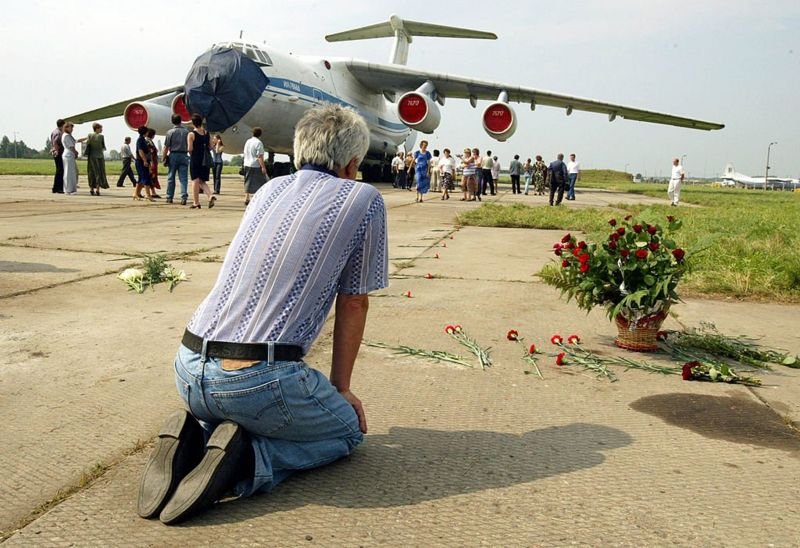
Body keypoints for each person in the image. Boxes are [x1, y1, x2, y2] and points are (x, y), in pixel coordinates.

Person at [137, 103, 388, 525]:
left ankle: (195, 441)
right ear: (351, 164)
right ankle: (248, 462)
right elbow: (354, 301)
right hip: (256, 379)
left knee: (239, 408)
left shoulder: (270, 189)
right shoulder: (363, 197)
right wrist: (341, 388)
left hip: (187, 365)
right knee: (346, 431)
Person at [187, 114, 215, 209]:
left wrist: (192, 154)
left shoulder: (191, 134)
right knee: (202, 181)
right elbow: (211, 147)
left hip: (195, 158)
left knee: (195, 180)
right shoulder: (207, 134)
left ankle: (196, 202)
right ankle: (210, 195)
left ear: (193, 123)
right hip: (205, 159)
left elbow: (190, 148)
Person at [163, 115, 190, 205]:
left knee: (171, 177)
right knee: (183, 178)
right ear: (181, 120)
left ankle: (169, 197)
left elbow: (166, 146)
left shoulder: (170, 132)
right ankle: (184, 197)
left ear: (172, 121)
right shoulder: (186, 132)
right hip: (184, 155)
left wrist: (164, 157)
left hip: (173, 155)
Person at [242, 127, 268, 206]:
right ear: (260, 134)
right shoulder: (259, 143)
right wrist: (263, 167)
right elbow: (260, 156)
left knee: (247, 180)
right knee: (260, 182)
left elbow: (245, 152)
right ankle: (256, 197)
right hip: (255, 164)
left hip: (246, 163)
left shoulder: (248, 141)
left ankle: (246, 197)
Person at [83, 123, 109, 196]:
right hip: (100, 156)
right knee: (99, 173)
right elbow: (103, 147)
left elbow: (88, 145)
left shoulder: (90, 135)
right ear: (97, 128)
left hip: (91, 157)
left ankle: (91, 189)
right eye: (101, 128)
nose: (101, 130)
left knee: (91, 172)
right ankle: (97, 189)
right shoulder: (101, 136)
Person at [61, 122, 79, 195]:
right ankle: (68, 189)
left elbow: (75, 141)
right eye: (71, 127)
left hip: (69, 155)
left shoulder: (68, 135)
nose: (72, 129)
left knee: (71, 172)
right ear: (66, 128)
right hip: (68, 154)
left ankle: (70, 189)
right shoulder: (66, 136)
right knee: (68, 173)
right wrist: (75, 152)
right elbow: (71, 146)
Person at [146, 128, 162, 198]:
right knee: (151, 176)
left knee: (151, 177)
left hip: (153, 161)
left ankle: (153, 192)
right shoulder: (148, 142)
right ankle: (150, 193)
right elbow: (151, 152)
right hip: (152, 162)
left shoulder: (149, 141)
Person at [50, 119, 65, 194]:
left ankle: (55, 188)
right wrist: (57, 150)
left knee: (58, 170)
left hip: (55, 152)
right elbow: (56, 142)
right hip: (58, 153)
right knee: (60, 170)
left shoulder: (54, 131)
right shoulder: (59, 133)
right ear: (62, 125)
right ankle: (59, 188)